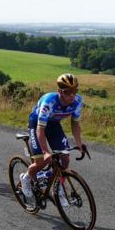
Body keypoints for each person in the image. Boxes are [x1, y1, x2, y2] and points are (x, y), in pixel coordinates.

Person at [18, 73, 86, 201]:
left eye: (74, 91)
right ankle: (26, 178)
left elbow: (75, 123)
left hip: (54, 125)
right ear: (59, 91)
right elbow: (40, 129)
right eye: (68, 92)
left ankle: (57, 187)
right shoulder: (49, 102)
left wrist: (79, 143)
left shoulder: (77, 101)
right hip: (36, 124)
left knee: (65, 159)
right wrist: (45, 152)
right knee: (41, 161)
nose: (72, 95)